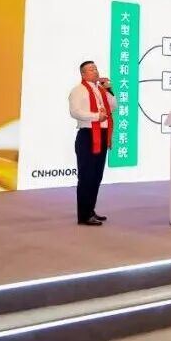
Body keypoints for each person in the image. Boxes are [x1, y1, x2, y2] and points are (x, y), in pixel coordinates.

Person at [69, 60, 118, 226]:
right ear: (83, 74)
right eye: (91, 69)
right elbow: (75, 112)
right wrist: (96, 116)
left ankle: (90, 210)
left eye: (96, 68)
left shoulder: (101, 90)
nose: (95, 71)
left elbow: (114, 106)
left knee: (97, 176)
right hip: (88, 136)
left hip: (102, 135)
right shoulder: (78, 90)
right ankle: (83, 215)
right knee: (86, 176)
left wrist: (109, 89)